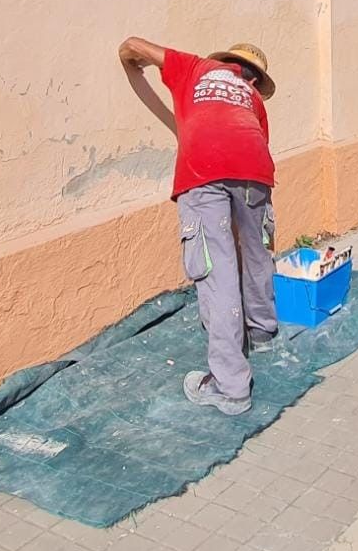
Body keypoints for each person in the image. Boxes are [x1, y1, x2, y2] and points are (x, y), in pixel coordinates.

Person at [118, 36, 278, 416]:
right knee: (256, 254)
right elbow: (254, 151)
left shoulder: (193, 67)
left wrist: (131, 63)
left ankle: (231, 388)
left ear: (222, 61)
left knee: (217, 273)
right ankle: (263, 333)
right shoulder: (252, 99)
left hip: (202, 171)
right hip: (254, 169)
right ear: (254, 79)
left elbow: (131, 44)